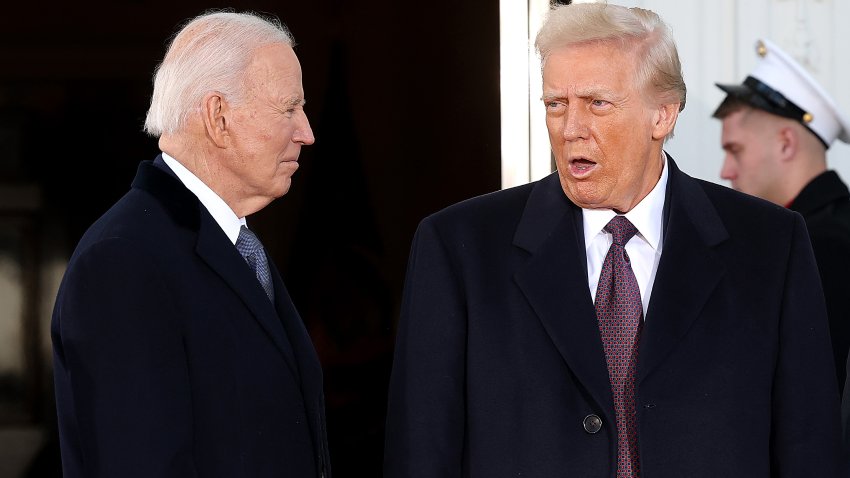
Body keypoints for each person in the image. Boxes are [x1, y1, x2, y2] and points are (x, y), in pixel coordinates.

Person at [383, 3, 846, 477]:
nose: (570, 129)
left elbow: (810, 449)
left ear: (662, 115)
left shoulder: (772, 246)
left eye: (597, 103)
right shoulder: (458, 248)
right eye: (555, 105)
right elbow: (421, 453)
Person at [50, 11, 329, 478]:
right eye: (288, 108)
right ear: (219, 116)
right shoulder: (124, 260)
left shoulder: (231, 243)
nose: (307, 132)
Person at [713, 38, 850, 395]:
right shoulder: (805, 233)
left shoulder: (827, 246)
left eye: (735, 150)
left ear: (786, 144)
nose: (725, 171)